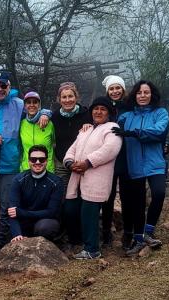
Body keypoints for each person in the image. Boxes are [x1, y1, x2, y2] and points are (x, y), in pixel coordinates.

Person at [0, 70, 51, 253]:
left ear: (9, 86)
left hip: (11, 165)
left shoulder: (19, 104)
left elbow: (35, 108)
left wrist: (46, 113)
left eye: (3, 85)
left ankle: (0, 245)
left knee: (7, 206)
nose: (0, 89)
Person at [113, 80, 169, 256]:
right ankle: (139, 239)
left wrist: (135, 133)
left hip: (155, 163)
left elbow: (158, 132)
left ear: (152, 94)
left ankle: (149, 231)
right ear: (134, 95)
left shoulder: (161, 113)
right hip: (134, 163)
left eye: (146, 92)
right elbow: (109, 128)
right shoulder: (125, 117)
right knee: (137, 204)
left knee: (159, 193)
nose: (143, 96)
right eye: (139, 92)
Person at [62, 97, 122, 259]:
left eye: (103, 109)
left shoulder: (112, 128)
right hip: (77, 178)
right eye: (96, 109)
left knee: (89, 214)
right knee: (71, 209)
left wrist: (88, 163)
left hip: (96, 180)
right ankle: (78, 242)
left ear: (109, 113)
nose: (98, 112)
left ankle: (92, 249)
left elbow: (110, 150)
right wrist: (69, 163)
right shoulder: (86, 130)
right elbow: (72, 149)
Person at [99, 75, 134, 249]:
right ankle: (106, 232)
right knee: (108, 196)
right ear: (107, 91)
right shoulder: (103, 108)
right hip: (108, 158)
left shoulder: (130, 106)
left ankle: (128, 233)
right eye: (111, 89)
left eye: (117, 88)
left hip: (126, 155)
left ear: (123, 89)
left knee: (127, 196)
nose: (115, 91)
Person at [8, 145, 63, 242]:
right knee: (13, 227)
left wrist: (22, 213)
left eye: (41, 159)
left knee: (45, 227)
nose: (37, 162)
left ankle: (46, 247)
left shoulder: (56, 182)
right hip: (24, 222)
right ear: (29, 161)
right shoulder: (18, 180)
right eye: (33, 159)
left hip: (45, 221)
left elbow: (51, 212)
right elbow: (12, 212)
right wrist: (17, 234)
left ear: (46, 161)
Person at [51, 82, 92, 189]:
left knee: (80, 196)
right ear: (59, 99)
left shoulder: (86, 114)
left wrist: (90, 126)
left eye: (70, 96)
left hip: (81, 163)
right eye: (64, 97)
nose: (67, 100)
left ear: (76, 97)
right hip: (61, 164)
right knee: (62, 196)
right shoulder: (54, 117)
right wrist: (44, 115)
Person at [19, 91, 55, 172]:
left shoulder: (49, 124)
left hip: (47, 170)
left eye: (35, 102)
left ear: (39, 105)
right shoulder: (21, 124)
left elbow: (56, 143)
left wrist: (46, 113)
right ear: (25, 106)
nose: (32, 105)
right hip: (26, 170)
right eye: (28, 102)